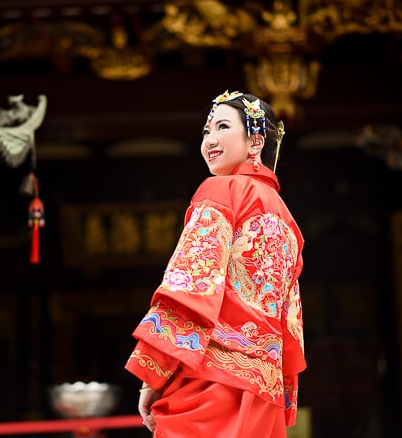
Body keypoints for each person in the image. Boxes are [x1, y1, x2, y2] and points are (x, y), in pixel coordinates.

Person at [124, 90, 306, 437]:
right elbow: (290, 321)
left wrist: (154, 373)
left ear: (256, 141)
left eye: (222, 127)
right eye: (206, 131)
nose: (210, 139)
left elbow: (190, 286)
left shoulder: (220, 191)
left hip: (210, 380)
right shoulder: (286, 219)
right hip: (264, 388)